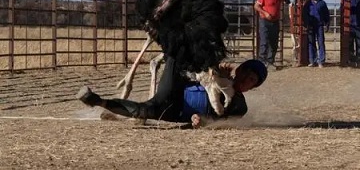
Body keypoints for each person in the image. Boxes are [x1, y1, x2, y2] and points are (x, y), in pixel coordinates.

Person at [76, 57, 268, 129]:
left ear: (253, 87)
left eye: (252, 80)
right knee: (179, 55)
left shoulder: (240, 105)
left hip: (176, 111)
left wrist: (202, 121)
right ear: (240, 70)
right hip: (177, 88)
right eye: (246, 74)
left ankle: (97, 101)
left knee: (145, 111)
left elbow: (221, 121)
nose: (245, 80)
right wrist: (214, 69)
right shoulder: (221, 73)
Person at [254, 0, 290, 70]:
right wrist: (265, 13)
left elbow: (286, 0)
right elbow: (256, 6)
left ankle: (270, 62)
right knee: (264, 41)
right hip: (264, 21)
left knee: (274, 43)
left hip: (275, 21)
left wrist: (287, 0)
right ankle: (261, 61)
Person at [302, 0, 330, 68]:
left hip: (319, 25)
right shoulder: (308, 4)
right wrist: (306, 24)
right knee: (311, 43)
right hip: (310, 26)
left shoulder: (322, 3)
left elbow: (326, 14)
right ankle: (312, 60)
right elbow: (304, 14)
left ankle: (321, 61)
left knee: (321, 42)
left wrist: (327, 24)